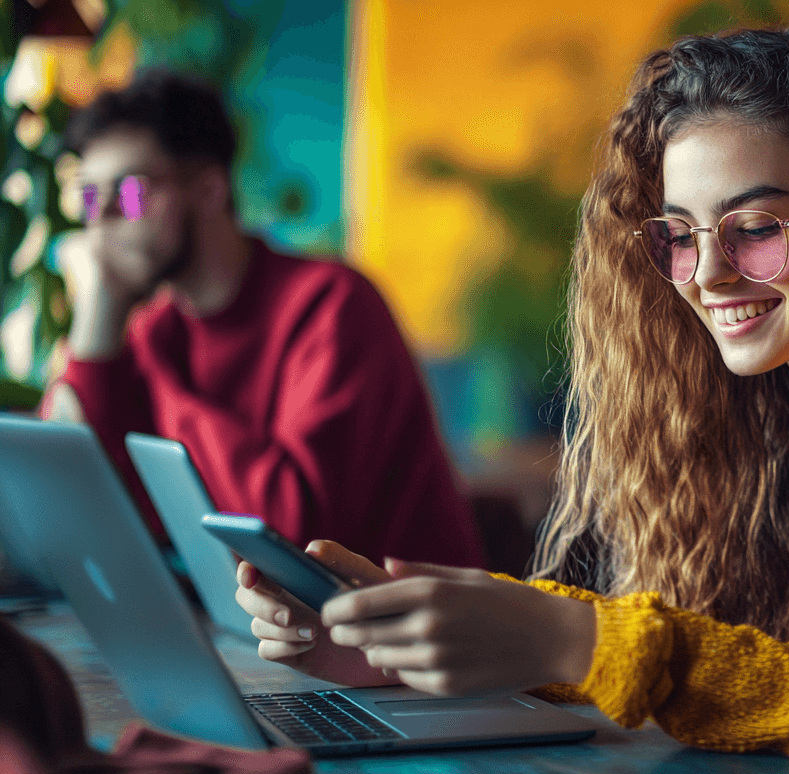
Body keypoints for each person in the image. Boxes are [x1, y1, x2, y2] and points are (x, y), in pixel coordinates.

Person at [236, 24, 789, 774]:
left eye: (755, 227)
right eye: (681, 234)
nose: (707, 274)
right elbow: (739, 680)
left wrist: (565, 636)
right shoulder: (774, 422)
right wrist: (398, 645)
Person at [43, 69, 486, 570]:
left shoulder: (332, 304)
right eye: (87, 197)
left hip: (400, 625)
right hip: (259, 624)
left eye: (128, 194)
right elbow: (67, 504)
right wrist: (97, 316)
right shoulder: (157, 328)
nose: (101, 220)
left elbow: (294, 535)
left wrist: (164, 379)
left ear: (209, 191)